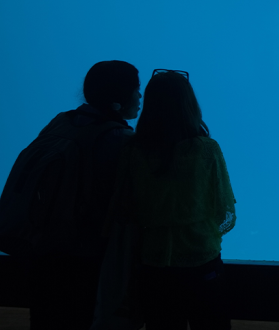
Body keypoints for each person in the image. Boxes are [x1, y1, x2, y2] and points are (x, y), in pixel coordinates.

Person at [115, 69, 236, 330]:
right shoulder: (206, 149)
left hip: (153, 264)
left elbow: (125, 208)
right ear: (189, 105)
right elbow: (223, 211)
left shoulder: (132, 152)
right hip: (202, 260)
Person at [28, 60, 141, 330]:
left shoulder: (60, 122)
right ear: (119, 96)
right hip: (86, 255)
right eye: (136, 90)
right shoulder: (121, 139)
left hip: (43, 248)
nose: (139, 97)